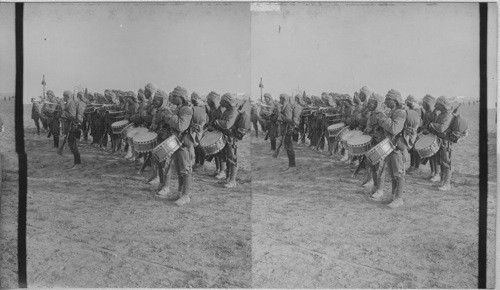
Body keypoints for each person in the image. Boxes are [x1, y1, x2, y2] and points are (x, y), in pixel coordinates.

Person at [156, 86, 194, 205]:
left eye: (175, 96)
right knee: (178, 170)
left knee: (185, 169)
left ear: (181, 98)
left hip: (182, 144)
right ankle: (180, 193)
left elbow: (181, 126)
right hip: (176, 142)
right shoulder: (178, 108)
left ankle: (186, 195)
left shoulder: (187, 110)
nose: (172, 97)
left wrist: (168, 115)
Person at [371, 89, 407, 208]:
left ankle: (399, 198)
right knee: (392, 173)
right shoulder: (392, 111)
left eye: (388, 99)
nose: (385, 101)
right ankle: (394, 195)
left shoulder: (400, 113)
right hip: (388, 145)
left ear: (395, 100)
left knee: (398, 172)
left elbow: (395, 129)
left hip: (396, 147)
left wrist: (382, 118)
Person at [214, 93, 240, 188]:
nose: (221, 102)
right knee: (227, 158)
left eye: (223, 101)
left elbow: (227, 125)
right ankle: (228, 178)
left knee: (232, 159)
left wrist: (217, 121)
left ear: (228, 102)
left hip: (231, 138)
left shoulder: (233, 112)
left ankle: (233, 180)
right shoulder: (227, 111)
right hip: (225, 137)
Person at [429, 96, 455, 191]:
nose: (435, 105)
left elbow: (441, 128)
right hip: (440, 140)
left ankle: (447, 183)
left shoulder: (448, 115)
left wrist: (432, 124)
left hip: (446, 142)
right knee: (442, 162)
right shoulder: (442, 114)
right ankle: (443, 181)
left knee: (446, 162)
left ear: (442, 105)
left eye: (438, 104)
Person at [364, 92, 386, 193]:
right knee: (372, 164)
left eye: (370, 103)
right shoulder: (372, 114)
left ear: (376, 104)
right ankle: (375, 184)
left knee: (379, 167)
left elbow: (385, 130)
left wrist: (375, 133)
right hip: (372, 142)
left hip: (379, 143)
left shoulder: (381, 115)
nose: (368, 105)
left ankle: (380, 189)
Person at [60, 91, 85, 170]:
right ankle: (77, 163)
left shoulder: (70, 103)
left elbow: (72, 116)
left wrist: (63, 112)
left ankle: (78, 163)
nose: (63, 98)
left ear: (66, 96)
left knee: (73, 145)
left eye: (64, 96)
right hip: (70, 127)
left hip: (72, 127)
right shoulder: (69, 103)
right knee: (72, 145)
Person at [277, 93, 301, 172]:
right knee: (288, 147)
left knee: (289, 147)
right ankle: (291, 165)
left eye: (281, 99)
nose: (279, 100)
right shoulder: (286, 105)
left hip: (288, 129)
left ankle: (292, 166)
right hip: (287, 129)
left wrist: (280, 115)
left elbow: (288, 119)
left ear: (284, 99)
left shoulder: (287, 106)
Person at [420, 94, 441, 182]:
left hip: (435, 136)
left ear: (428, 103)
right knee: (430, 156)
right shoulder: (427, 112)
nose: (422, 104)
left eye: (424, 102)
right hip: (429, 134)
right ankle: (432, 172)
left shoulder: (435, 112)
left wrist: (428, 128)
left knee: (436, 156)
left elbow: (436, 125)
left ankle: (437, 174)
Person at [206, 91, 226, 178]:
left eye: (209, 100)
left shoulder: (221, 110)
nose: (207, 102)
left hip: (221, 133)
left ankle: (223, 171)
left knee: (221, 153)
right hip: (214, 132)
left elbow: (222, 122)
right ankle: (218, 169)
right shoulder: (212, 109)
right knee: (216, 153)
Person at [405, 95, 424, 174]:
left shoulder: (418, 110)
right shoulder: (411, 109)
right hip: (412, 132)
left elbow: (418, 122)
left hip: (418, 132)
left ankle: (417, 167)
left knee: (416, 150)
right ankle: (412, 165)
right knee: (412, 150)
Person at [191, 92, 208, 172]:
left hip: (201, 128)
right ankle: (197, 162)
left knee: (200, 146)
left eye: (194, 98)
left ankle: (202, 164)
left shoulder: (202, 106)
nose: (192, 99)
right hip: (196, 127)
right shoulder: (194, 106)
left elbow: (205, 118)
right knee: (196, 146)